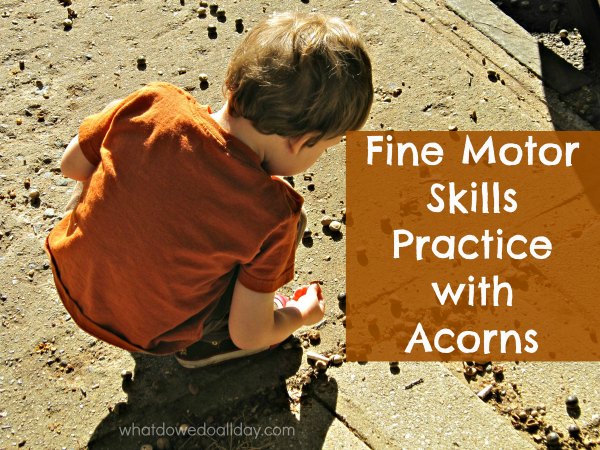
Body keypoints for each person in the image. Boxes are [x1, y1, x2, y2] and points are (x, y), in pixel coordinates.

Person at [45, 11, 373, 368]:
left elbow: (72, 165)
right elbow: (250, 333)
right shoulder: (273, 213)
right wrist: (299, 313)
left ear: (231, 82)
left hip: (70, 273)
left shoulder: (154, 102)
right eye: (324, 148)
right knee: (291, 228)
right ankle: (203, 345)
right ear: (300, 141)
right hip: (150, 333)